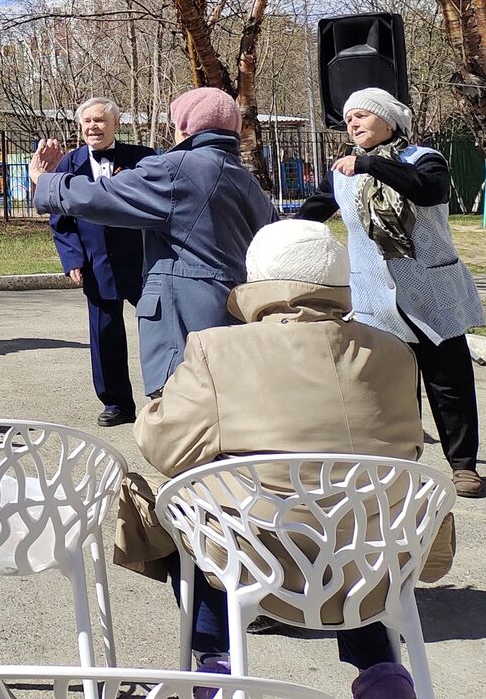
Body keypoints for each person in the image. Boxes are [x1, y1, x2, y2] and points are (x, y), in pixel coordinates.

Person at [116, 220, 442, 699]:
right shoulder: (395, 353)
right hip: (370, 559)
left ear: (258, 280)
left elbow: (163, 448)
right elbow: (407, 449)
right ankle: (382, 672)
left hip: (256, 557)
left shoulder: (215, 349)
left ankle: (214, 663)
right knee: (348, 507)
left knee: (188, 505)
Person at [296, 88, 486, 498]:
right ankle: (398, 467)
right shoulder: (344, 172)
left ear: (389, 121)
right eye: (348, 119)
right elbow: (314, 210)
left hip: (431, 291)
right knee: (392, 385)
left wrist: (370, 164)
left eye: (362, 115)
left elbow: (428, 191)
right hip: (374, 297)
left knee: (448, 382)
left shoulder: (424, 159)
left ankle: (463, 466)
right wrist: (277, 229)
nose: (353, 124)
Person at [32, 86, 276, 395]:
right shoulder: (245, 178)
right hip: (239, 316)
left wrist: (45, 180)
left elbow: (104, 196)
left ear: (184, 127)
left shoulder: (174, 170)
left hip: (186, 324)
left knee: (184, 412)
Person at [46, 97, 156, 426]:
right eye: (88, 122)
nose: (93, 127)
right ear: (80, 127)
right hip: (97, 263)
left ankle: (167, 397)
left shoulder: (143, 159)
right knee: (105, 333)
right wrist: (73, 259)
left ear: (115, 125)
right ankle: (117, 403)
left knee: (159, 328)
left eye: (100, 121)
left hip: (143, 261)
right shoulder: (69, 162)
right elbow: (59, 216)